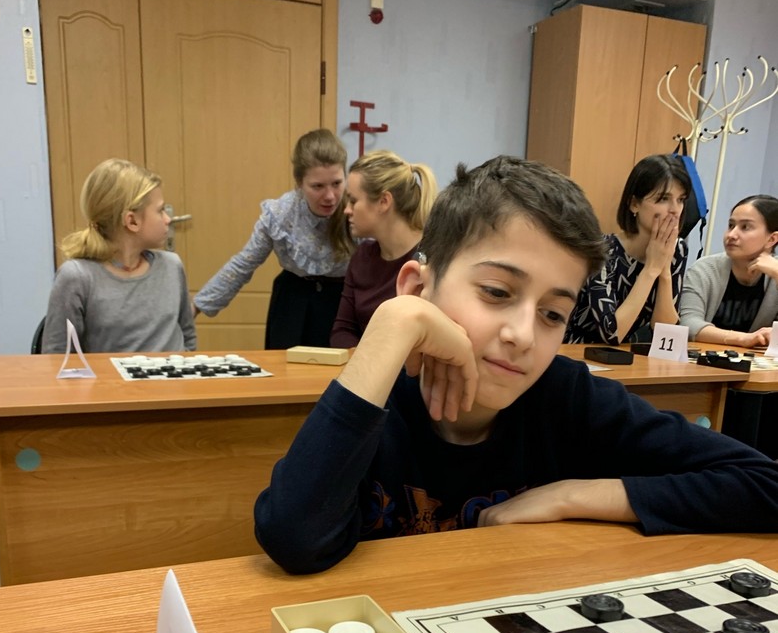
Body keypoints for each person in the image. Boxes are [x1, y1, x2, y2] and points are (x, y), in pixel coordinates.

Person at [254, 155, 778, 575]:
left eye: (553, 314)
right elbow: (293, 538)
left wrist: (575, 495)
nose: (523, 335)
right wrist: (391, 325)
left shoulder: (567, 396)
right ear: (417, 289)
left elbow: (765, 483)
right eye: (496, 292)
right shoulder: (376, 399)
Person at [193, 129, 354, 349]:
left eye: (336, 183)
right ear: (299, 182)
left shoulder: (356, 209)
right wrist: (197, 306)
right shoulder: (280, 214)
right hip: (292, 305)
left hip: (342, 305)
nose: (329, 196)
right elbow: (243, 264)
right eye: (317, 186)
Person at [42, 158, 196, 354]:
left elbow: (188, 336)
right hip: (110, 375)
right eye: (160, 211)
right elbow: (57, 355)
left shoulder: (172, 266)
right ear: (132, 221)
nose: (167, 219)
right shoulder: (77, 277)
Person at [565, 154, 691, 344]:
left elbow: (666, 334)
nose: (675, 209)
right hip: (578, 350)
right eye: (663, 198)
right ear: (634, 204)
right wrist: (651, 269)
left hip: (624, 355)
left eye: (681, 200)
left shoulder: (677, 249)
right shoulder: (602, 249)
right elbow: (611, 333)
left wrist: (664, 270)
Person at [330, 150, 437, 347]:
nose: (346, 210)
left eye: (353, 201)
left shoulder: (432, 259)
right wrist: (366, 362)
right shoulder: (361, 257)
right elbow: (342, 331)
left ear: (384, 202)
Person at [679, 194, 778, 348]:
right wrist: (744, 339)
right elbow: (688, 324)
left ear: (772, 239)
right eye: (731, 225)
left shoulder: (775, 273)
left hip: (754, 362)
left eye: (745, 227)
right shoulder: (705, 269)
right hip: (703, 358)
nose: (731, 235)